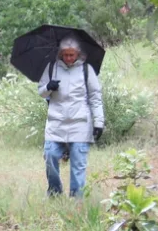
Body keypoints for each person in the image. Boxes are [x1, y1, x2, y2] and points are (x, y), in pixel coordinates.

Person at [38, 37, 104, 198]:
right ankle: (54, 192)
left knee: (78, 165)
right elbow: (41, 91)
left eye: (72, 55)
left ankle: (77, 200)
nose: (68, 58)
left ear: (78, 54)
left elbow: (95, 97)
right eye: (66, 55)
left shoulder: (86, 70)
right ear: (60, 54)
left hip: (80, 123)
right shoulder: (52, 67)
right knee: (50, 156)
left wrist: (99, 122)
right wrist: (49, 87)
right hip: (56, 122)